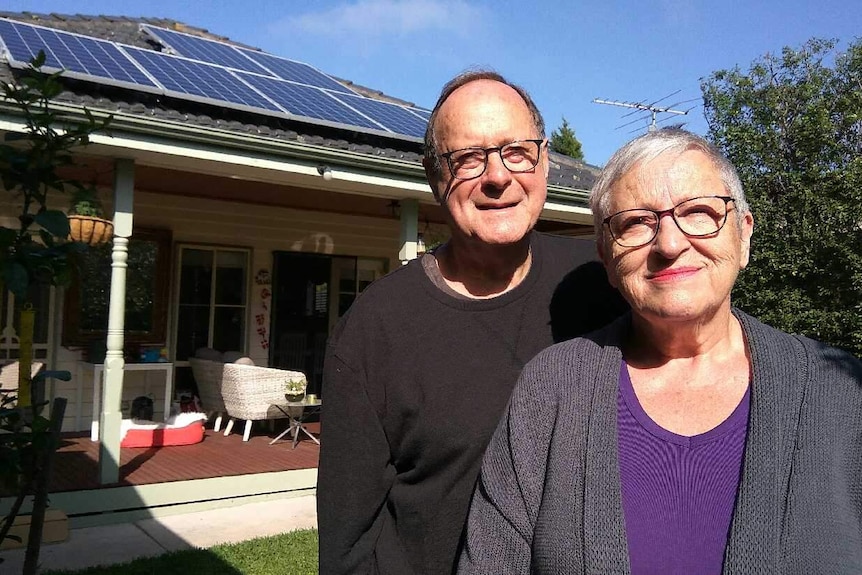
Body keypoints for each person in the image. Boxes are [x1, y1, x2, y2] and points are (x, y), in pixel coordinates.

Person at [458, 128, 862, 574]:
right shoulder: (551, 389)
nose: (669, 245)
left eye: (699, 213)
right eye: (636, 223)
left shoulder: (841, 393)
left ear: (743, 236)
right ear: (607, 259)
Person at [316, 70, 625, 575]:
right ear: (434, 176)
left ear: (544, 161)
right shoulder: (375, 329)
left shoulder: (600, 286)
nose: (498, 176)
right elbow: (347, 545)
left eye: (516, 151)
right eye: (468, 158)